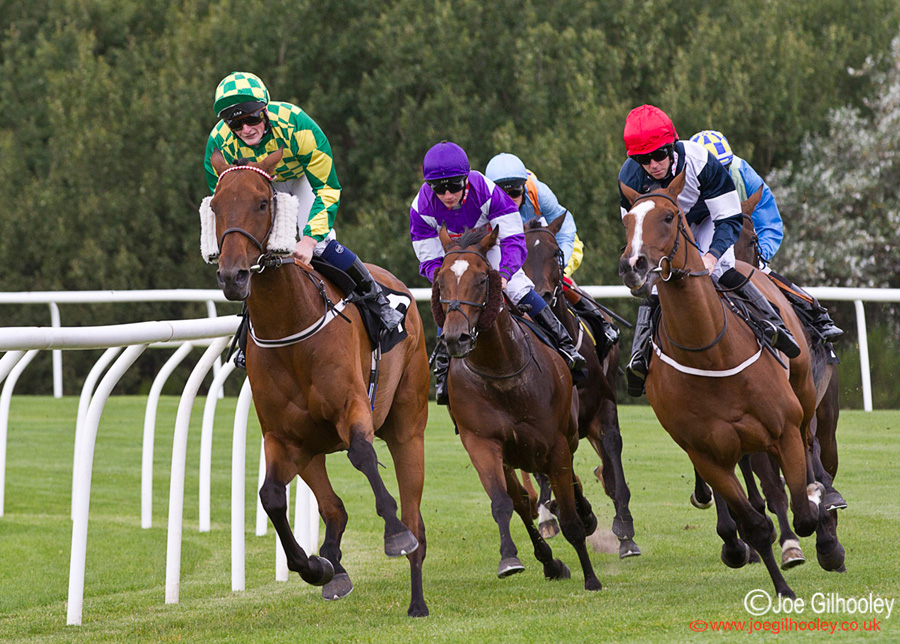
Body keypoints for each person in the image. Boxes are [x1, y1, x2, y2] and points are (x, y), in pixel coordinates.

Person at [204, 71, 403, 363]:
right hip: (259, 188)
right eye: (236, 123)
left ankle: (377, 301)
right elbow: (224, 201)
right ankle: (248, 331)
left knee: (320, 246)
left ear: (264, 109)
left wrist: (309, 239)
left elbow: (328, 188)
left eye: (252, 118)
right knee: (254, 252)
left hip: (302, 180)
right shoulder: (218, 142)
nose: (245, 129)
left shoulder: (297, 125)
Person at [618, 105, 800, 397]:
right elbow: (636, 229)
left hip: (710, 219)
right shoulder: (629, 177)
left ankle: (773, 324)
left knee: (721, 270)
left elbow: (729, 219)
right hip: (667, 227)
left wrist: (711, 256)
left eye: (659, 155)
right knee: (657, 286)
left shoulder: (701, 162)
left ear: (672, 146)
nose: (652, 165)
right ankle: (639, 354)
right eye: (642, 159)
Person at [410, 141, 586, 405]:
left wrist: (504, 273)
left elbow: (513, 239)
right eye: (438, 188)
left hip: (490, 245)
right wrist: (446, 278)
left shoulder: (486, 191)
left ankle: (566, 346)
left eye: (454, 186)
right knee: (449, 294)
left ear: (465, 180)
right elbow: (428, 256)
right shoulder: (421, 206)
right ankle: (443, 371)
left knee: (517, 286)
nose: (447, 195)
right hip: (453, 255)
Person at [690, 130, 842, 342]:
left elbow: (769, 221)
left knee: (761, 271)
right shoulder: (681, 178)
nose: (720, 176)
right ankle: (645, 341)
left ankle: (816, 315)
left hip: (740, 244)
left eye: (724, 168)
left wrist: (759, 254)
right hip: (699, 245)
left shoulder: (743, 174)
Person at [484, 152, 618, 350]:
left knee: (555, 278)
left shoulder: (539, 193)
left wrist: (558, 263)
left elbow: (565, 225)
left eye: (515, 193)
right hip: (514, 248)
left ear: (524, 188)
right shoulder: (482, 202)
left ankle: (601, 323)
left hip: (547, 241)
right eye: (503, 195)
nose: (510, 200)